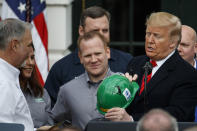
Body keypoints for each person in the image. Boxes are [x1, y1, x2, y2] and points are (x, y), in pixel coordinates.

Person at [105, 12, 197, 122]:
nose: (150, 40)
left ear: (172, 43)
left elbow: (178, 113)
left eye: (157, 36)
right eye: (148, 34)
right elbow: (125, 104)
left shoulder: (187, 73)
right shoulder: (135, 63)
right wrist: (121, 88)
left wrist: (132, 119)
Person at [44, 6, 133, 107]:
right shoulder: (61, 69)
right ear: (81, 31)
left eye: (105, 30)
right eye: (95, 31)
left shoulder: (127, 62)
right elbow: (51, 112)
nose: (101, 35)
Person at [50, 31, 132, 130]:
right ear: (80, 57)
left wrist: (128, 119)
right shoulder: (67, 90)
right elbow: (54, 123)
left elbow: (143, 120)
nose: (93, 60)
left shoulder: (125, 84)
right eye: (88, 55)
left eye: (98, 53)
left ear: (107, 53)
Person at [0, 18, 34, 131]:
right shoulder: (4, 83)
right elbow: (5, 128)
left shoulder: (7, 76)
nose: (31, 51)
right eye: (29, 45)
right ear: (14, 45)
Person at [19, 44, 52, 128]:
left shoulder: (42, 93)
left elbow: (50, 125)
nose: (30, 63)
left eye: (32, 58)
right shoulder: (5, 89)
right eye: (25, 58)